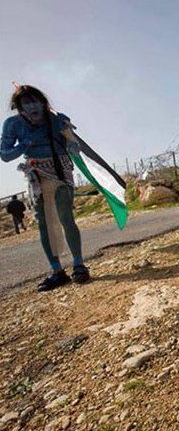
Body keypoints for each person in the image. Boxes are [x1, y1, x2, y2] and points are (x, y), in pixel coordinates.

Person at [1, 85, 90, 291]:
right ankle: (57, 271)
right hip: (35, 174)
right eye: (26, 103)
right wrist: (24, 144)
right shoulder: (12, 125)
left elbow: (73, 145)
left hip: (59, 171)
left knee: (65, 217)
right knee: (44, 224)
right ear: (19, 108)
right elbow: (5, 155)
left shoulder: (57, 119)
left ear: (43, 103)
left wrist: (70, 141)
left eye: (35, 101)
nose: (32, 106)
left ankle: (79, 265)